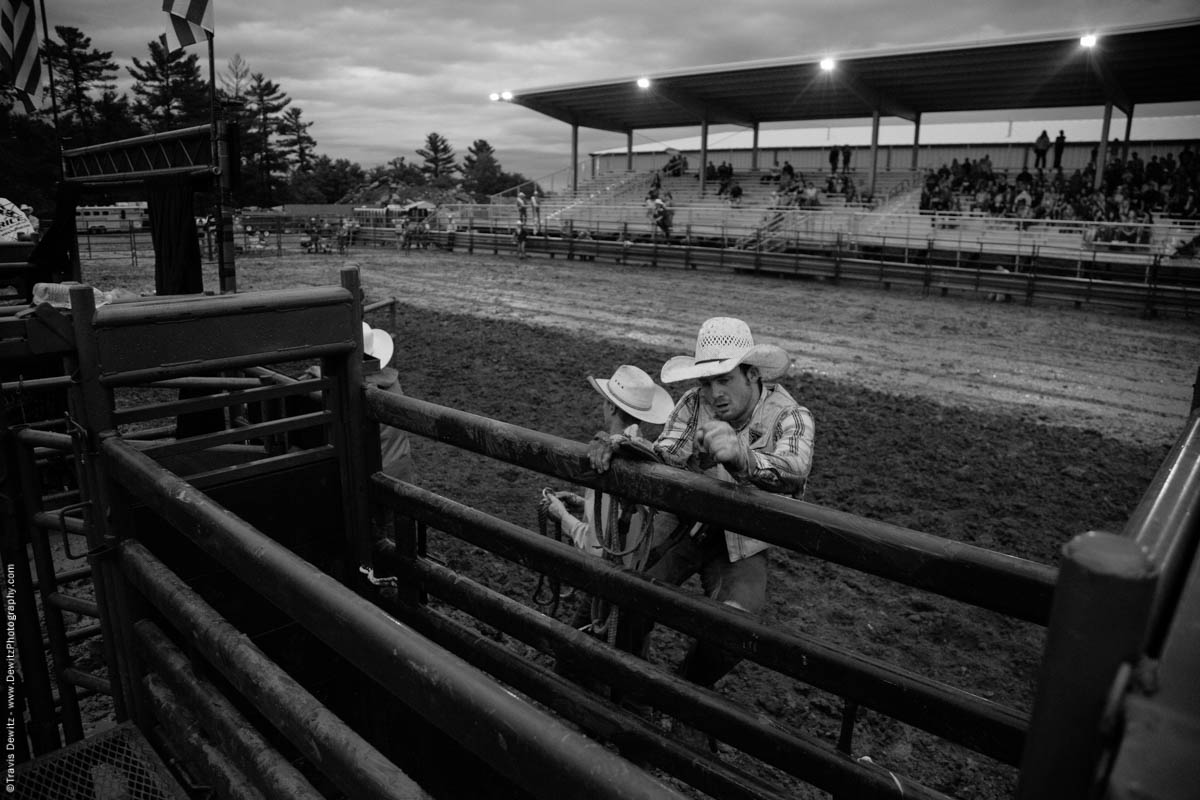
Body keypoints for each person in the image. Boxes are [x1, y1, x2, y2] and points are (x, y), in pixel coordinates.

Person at [590, 317, 815, 696]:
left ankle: (684, 691)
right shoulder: (693, 404)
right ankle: (633, 688)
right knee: (630, 591)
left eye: (724, 379)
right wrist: (625, 446)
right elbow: (666, 453)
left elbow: (793, 469)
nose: (714, 394)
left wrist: (742, 458)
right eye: (707, 382)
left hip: (742, 538)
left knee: (738, 627)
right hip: (687, 521)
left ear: (752, 374)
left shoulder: (790, 415)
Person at [542, 365, 674, 638]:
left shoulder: (608, 464)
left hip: (611, 586)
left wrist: (562, 517)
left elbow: (598, 547)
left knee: (571, 657)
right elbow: (622, 520)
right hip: (634, 579)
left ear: (611, 408)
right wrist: (583, 502)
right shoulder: (645, 455)